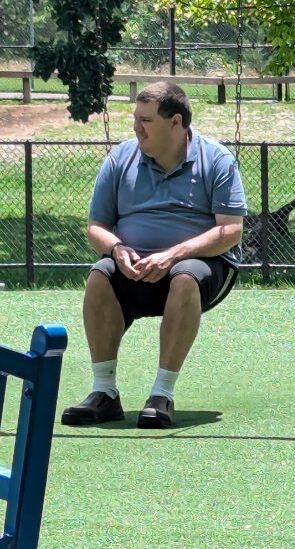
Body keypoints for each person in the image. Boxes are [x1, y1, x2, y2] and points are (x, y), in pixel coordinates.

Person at [60, 81, 247, 429]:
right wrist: (116, 249)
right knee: (100, 275)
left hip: (200, 268)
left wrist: (173, 255)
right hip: (133, 267)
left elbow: (231, 231)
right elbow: (96, 226)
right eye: (135, 118)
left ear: (175, 122)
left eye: (145, 120)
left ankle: (161, 395)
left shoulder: (217, 160)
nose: (136, 127)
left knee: (185, 275)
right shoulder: (120, 158)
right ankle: (104, 394)